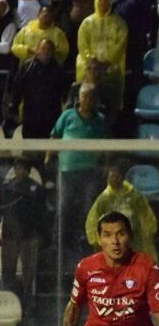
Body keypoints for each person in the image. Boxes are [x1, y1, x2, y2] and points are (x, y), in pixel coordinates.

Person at [49, 81, 108, 261]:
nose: (87, 100)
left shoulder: (100, 121)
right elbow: (55, 135)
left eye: (91, 97)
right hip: (67, 171)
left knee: (88, 208)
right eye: (84, 96)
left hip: (89, 173)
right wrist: (48, 157)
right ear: (79, 98)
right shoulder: (67, 116)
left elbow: (106, 146)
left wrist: (105, 165)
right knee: (63, 206)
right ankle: (57, 243)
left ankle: (88, 243)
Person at [0, 156, 49, 317]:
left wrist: (41, 236)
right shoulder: (6, 187)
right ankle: (6, 302)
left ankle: (28, 303)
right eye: (16, 167)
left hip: (29, 236)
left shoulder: (36, 189)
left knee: (28, 272)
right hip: (10, 236)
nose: (17, 170)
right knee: (8, 271)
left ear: (28, 170)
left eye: (21, 167)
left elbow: (42, 214)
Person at [84, 162, 159, 260]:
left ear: (122, 177)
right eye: (111, 176)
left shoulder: (134, 195)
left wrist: (150, 231)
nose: (114, 179)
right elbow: (93, 219)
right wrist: (95, 239)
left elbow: (146, 215)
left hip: (134, 241)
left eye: (116, 176)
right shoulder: (104, 198)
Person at [76, 0, 128, 114]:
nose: (103, 2)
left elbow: (121, 43)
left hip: (111, 67)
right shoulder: (87, 23)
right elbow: (82, 44)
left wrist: (108, 61)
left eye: (106, 0)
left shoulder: (119, 23)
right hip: (91, 66)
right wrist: (91, 60)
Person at [8, 36, 68, 138]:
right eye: (43, 48)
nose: (46, 52)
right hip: (31, 114)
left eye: (49, 49)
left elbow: (65, 93)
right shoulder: (27, 67)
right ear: (37, 50)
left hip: (52, 114)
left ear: (53, 52)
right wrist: (13, 108)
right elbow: (17, 89)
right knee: (30, 145)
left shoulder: (59, 70)